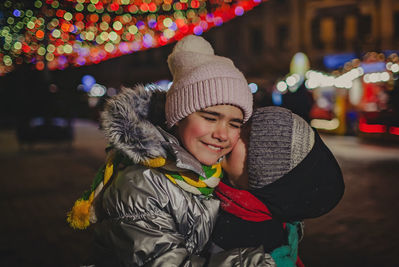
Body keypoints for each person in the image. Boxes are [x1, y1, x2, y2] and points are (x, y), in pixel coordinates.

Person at [67, 35, 255, 266]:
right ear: (178, 116)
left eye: (235, 124)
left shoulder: (213, 172)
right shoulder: (139, 185)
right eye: (209, 117)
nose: (222, 134)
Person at [211, 106, 345, 266]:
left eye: (246, 137)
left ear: (258, 177)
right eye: (242, 125)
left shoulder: (250, 245)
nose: (231, 135)